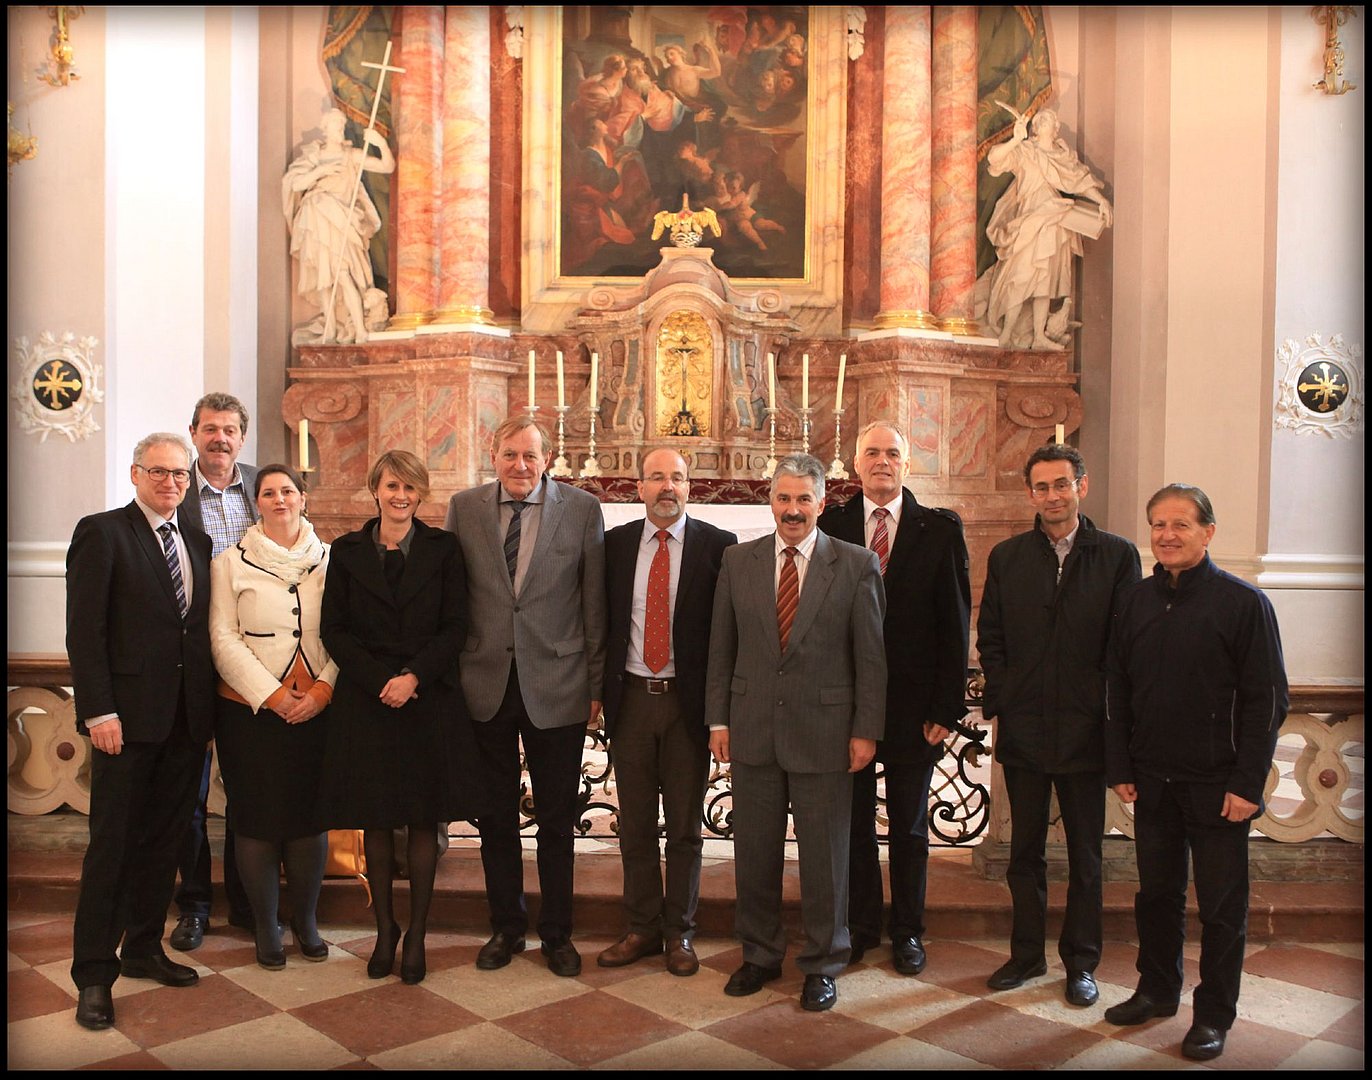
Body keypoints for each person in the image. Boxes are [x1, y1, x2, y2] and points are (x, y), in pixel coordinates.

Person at [1104, 484, 1287, 1061]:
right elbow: (1118, 689)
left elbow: (1266, 700)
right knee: (1156, 895)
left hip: (1218, 783)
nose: (1168, 535)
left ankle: (1213, 1015)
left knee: (1221, 905)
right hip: (1153, 777)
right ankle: (1157, 990)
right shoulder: (1135, 601)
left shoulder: (1243, 603)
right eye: (1158, 524)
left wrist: (1246, 784)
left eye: (1181, 524)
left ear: (1209, 532)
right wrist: (1121, 764)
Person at [706, 453, 887, 1012]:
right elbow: (722, 648)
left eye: (803, 499)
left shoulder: (856, 565)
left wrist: (866, 730)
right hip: (753, 727)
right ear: (770, 501)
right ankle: (758, 954)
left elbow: (871, 659)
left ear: (822, 502)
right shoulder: (739, 561)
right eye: (783, 499)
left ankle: (824, 961)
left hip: (826, 732)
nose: (792, 510)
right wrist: (718, 718)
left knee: (826, 858)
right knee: (754, 852)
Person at [977, 444, 1141, 1006]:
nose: (1052, 495)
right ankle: (1025, 954)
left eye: (1062, 484)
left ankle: (1082, 962)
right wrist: (1003, 694)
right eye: (1042, 487)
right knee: (1024, 853)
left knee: (1086, 856)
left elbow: (1125, 644)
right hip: (1024, 725)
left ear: (1082, 486)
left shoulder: (1117, 556)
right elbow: (991, 636)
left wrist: (1104, 706)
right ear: (1031, 494)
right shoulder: (1008, 556)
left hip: (1086, 727)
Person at [444, 415, 608, 978]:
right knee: (494, 818)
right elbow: (455, 594)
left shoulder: (582, 510)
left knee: (559, 819)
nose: (520, 466)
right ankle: (506, 927)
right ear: (494, 455)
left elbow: (594, 604)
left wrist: (595, 682)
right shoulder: (464, 508)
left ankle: (557, 933)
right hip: (484, 680)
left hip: (557, 684)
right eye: (510, 454)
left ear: (547, 459)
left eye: (531, 456)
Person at [66, 433, 216, 1030]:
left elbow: (196, 633)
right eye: (159, 472)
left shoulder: (199, 542)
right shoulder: (102, 533)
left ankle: (145, 948)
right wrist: (99, 711)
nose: (171, 483)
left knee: (164, 842)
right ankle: (94, 974)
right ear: (135, 474)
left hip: (184, 722)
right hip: (124, 724)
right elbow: (85, 631)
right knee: (113, 849)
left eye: (181, 474)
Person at [817, 421, 971, 977]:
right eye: (872, 453)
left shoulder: (938, 529)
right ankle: (860, 926)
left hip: (913, 708)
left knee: (908, 825)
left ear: (907, 464)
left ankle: (907, 930)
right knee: (852, 823)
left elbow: (955, 622)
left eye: (893, 453)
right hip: (846, 705)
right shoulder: (829, 523)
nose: (882, 461)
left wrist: (945, 707)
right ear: (856, 464)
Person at [319, 450, 474, 986]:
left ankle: (418, 935)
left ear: (421, 493)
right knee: (377, 820)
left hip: (427, 698)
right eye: (391, 485)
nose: (400, 495)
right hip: (367, 703)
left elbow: (456, 626)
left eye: (409, 487)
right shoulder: (345, 551)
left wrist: (412, 677)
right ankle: (385, 931)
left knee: (424, 822)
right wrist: (376, 680)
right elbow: (333, 630)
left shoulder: (443, 548)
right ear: (375, 489)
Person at [596, 449, 736, 976]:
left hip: (687, 706)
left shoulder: (719, 547)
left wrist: (721, 713)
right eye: (657, 477)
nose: (667, 487)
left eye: (677, 477)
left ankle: (679, 932)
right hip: (631, 699)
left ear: (690, 486)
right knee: (634, 826)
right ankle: (641, 928)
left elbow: (727, 637)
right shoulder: (614, 545)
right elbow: (600, 621)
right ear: (640, 486)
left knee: (682, 827)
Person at [209, 464, 337, 970]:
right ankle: (266, 926)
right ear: (256, 502)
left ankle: (306, 921)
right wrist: (272, 695)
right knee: (256, 821)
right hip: (251, 713)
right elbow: (222, 639)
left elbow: (347, 633)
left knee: (309, 821)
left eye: (288, 491)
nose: (279, 499)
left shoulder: (331, 559)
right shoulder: (229, 563)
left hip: (318, 710)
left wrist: (325, 688)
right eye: (269, 492)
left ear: (303, 498)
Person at [170, 392, 258, 953]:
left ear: (242, 438)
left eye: (229, 430)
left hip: (255, 666)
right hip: (193, 665)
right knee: (191, 799)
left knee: (251, 792)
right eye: (209, 429)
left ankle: (252, 904)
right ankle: (196, 906)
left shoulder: (265, 485)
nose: (219, 439)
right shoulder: (174, 491)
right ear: (194, 433)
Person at [984, 106, 1112, 350]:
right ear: (1036, 128)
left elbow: (1078, 181)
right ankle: (1007, 334)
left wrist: (1101, 200)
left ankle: (1039, 336)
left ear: (1055, 130)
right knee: (1019, 276)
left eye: (1052, 123)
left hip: (1054, 219)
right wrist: (1015, 139)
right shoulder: (1025, 151)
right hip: (1029, 219)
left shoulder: (1062, 157)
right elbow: (994, 159)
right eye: (1044, 122)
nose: (1050, 126)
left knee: (1046, 280)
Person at [282, 108, 395, 345]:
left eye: (341, 125)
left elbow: (387, 167)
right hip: (316, 219)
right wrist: (320, 171)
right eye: (335, 125)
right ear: (324, 129)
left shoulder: (350, 156)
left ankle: (360, 330)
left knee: (344, 276)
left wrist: (380, 143)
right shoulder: (313, 156)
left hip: (341, 221)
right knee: (323, 278)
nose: (339, 129)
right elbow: (295, 184)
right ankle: (330, 331)